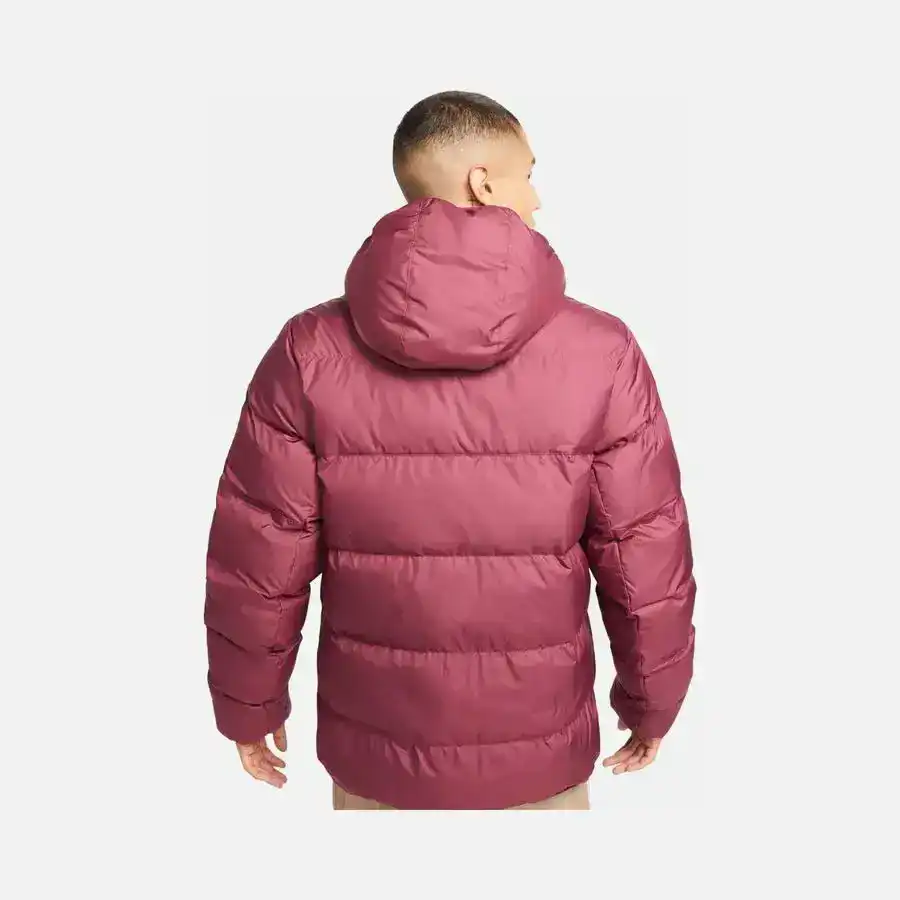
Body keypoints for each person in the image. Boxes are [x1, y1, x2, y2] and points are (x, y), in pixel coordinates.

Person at [205, 91, 696, 810]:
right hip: (539, 757)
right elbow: (644, 552)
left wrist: (248, 705)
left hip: (377, 759)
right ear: (484, 182)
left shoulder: (309, 350)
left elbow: (259, 558)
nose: (538, 196)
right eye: (529, 173)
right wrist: (653, 701)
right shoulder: (602, 350)